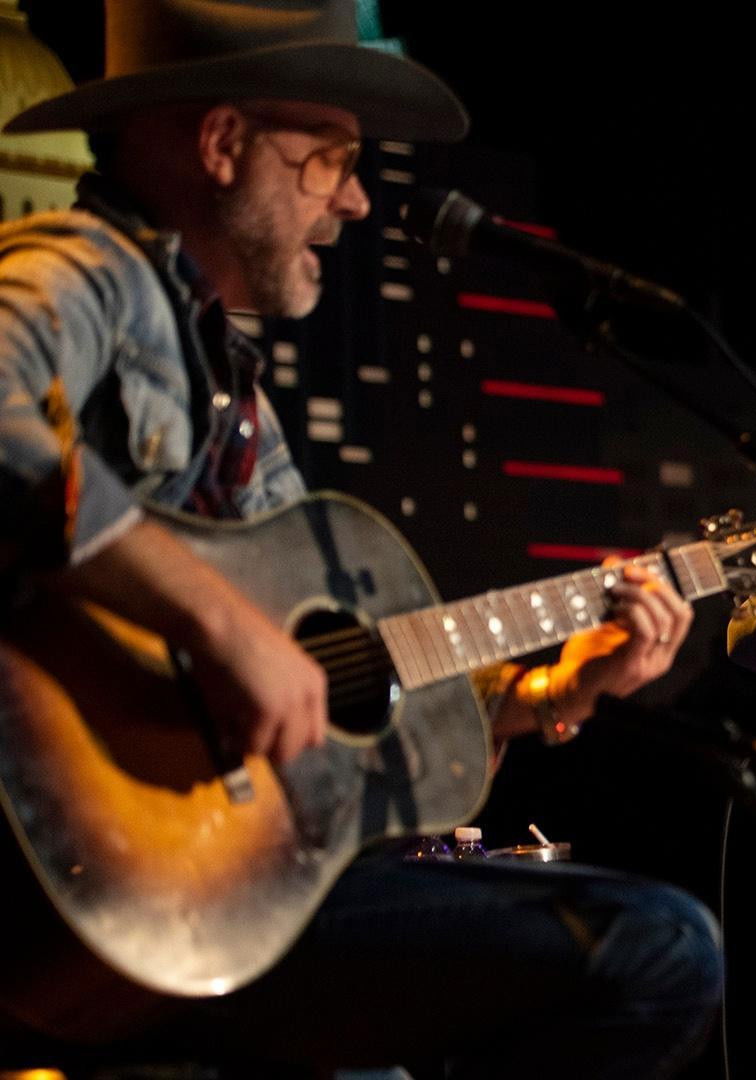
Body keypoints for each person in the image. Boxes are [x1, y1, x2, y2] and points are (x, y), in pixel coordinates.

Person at [1, 3, 716, 1074]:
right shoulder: (84, 268)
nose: (356, 197)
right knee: (657, 948)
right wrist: (220, 625)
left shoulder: (234, 394)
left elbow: (343, 672)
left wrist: (549, 697)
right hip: (62, 888)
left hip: (199, 894)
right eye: (331, 156)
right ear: (223, 143)